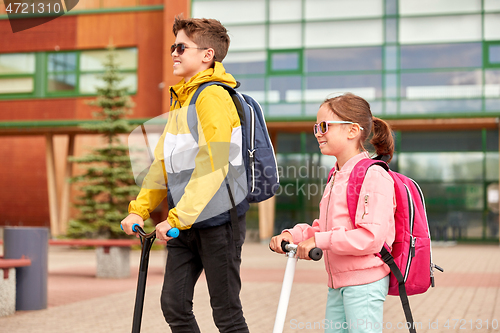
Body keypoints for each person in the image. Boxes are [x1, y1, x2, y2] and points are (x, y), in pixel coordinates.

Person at [121, 15, 250, 333]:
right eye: (172, 46)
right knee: (175, 306)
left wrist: (177, 219)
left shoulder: (213, 97)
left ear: (207, 55)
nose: (174, 53)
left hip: (219, 223)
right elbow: (162, 164)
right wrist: (140, 209)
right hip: (184, 223)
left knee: (227, 315)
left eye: (181, 46)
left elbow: (215, 163)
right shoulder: (183, 100)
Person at [270, 93, 396, 333]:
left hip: (364, 282)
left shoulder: (373, 175)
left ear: (352, 131)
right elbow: (325, 228)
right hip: (338, 283)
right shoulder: (336, 175)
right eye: (316, 126)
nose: (318, 132)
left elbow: (370, 238)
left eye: (324, 126)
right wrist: (294, 235)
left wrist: (318, 240)